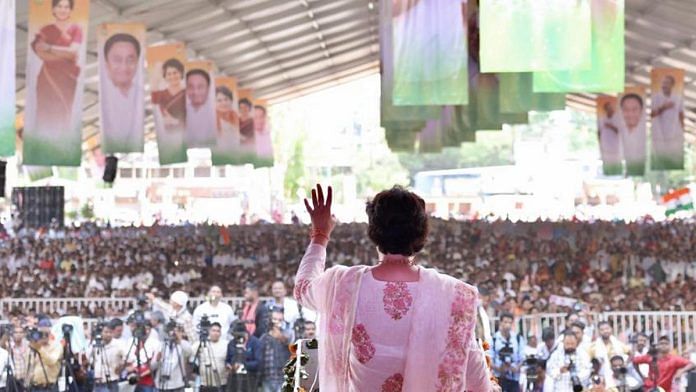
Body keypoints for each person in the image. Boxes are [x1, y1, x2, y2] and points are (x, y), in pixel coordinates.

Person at [294, 184, 496, 390]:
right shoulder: (454, 295)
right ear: (421, 234)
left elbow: (302, 289)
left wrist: (320, 235)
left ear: (373, 231)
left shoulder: (344, 285)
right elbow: (476, 380)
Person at [31, 0, 83, 133]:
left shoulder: (76, 29)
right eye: (59, 6)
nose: (63, 10)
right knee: (44, 111)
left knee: (63, 112)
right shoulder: (45, 30)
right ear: (53, 9)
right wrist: (64, 56)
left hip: (67, 79)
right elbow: (41, 53)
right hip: (47, 78)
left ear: (71, 10)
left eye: (66, 7)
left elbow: (73, 52)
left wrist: (49, 48)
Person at [100, 32, 143, 150]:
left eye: (130, 60)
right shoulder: (103, 98)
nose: (124, 67)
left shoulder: (140, 96)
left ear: (137, 63)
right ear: (106, 63)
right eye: (117, 60)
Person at [651, 74, 685, 168]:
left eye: (666, 83)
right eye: (663, 83)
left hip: (674, 134)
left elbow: (681, 115)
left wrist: (683, 131)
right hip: (660, 134)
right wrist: (663, 107)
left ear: (672, 85)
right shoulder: (656, 98)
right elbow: (652, 114)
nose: (664, 85)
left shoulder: (678, 98)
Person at [491, 312, 525, 392]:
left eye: (510, 322)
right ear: (500, 323)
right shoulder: (493, 339)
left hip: (514, 377)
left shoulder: (518, 338)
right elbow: (489, 359)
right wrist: (498, 368)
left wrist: (516, 368)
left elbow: (522, 357)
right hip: (498, 377)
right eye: (505, 322)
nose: (508, 325)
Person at [258, 310, 292, 392]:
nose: (277, 322)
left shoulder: (288, 334)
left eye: (280, 320)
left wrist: (280, 337)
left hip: (282, 377)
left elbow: (291, 345)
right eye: (275, 319)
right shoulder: (264, 337)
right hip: (267, 377)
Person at [589, 321, 630, 388]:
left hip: (618, 378)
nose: (605, 331)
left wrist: (625, 363)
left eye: (607, 328)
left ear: (611, 329)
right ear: (599, 331)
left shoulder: (618, 344)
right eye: (602, 329)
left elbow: (630, 353)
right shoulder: (593, 347)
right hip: (601, 379)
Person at [25, 319, 63, 391]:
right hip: (34, 387)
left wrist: (40, 349)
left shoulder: (57, 345)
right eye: (41, 333)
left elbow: (51, 361)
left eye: (46, 333)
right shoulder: (33, 346)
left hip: (49, 387)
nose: (44, 336)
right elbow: (29, 366)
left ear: (50, 332)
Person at [87, 324, 125, 392]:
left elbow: (128, 359)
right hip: (96, 383)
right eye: (106, 332)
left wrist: (120, 367)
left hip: (110, 383)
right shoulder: (95, 344)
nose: (108, 334)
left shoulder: (118, 345)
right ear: (101, 333)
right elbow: (88, 359)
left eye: (110, 332)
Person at [225, 321, 262, 392]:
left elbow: (258, 363)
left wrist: (244, 364)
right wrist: (228, 365)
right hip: (234, 379)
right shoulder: (231, 343)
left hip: (250, 378)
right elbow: (228, 359)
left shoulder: (255, 342)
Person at [151, 59, 186, 131]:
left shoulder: (188, 93)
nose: (172, 76)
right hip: (169, 136)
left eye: (175, 73)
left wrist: (175, 121)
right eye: (169, 74)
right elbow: (154, 86)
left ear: (181, 73)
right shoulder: (161, 95)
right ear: (165, 76)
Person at [154, 325, 192, 392]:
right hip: (162, 383)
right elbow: (152, 366)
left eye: (177, 331)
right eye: (173, 331)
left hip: (177, 384)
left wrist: (179, 340)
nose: (174, 333)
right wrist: (157, 360)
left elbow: (189, 352)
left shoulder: (183, 344)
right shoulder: (162, 345)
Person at [191, 322, 228, 391]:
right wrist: (203, 339)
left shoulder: (225, 344)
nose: (215, 333)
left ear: (220, 333)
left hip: (221, 383)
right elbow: (191, 351)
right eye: (213, 330)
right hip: (204, 383)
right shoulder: (202, 343)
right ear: (209, 331)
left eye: (218, 331)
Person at [124, 323, 160, 392]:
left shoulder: (153, 343)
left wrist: (140, 375)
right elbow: (127, 361)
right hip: (132, 380)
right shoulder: (131, 342)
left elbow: (154, 364)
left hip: (147, 381)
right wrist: (131, 370)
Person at [185, 69, 217, 147]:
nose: (195, 92)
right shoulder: (180, 114)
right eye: (190, 87)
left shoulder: (216, 114)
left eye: (200, 87)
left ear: (208, 88)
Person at [619, 93, 646, 175]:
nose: (630, 114)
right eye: (626, 110)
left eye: (634, 110)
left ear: (641, 111)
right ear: (621, 111)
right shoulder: (617, 133)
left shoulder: (645, 133)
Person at [598, 100, 622, 175]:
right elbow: (599, 132)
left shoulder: (617, 118)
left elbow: (620, 132)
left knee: (615, 160)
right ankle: (607, 172)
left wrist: (611, 126)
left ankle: (616, 172)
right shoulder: (602, 119)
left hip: (614, 146)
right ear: (606, 110)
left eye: (611, 108)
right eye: (608, 108)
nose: (611, 109)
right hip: (605, 145)